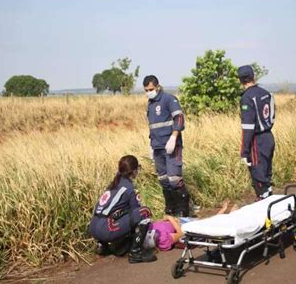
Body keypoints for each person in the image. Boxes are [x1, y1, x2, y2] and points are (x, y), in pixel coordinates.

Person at [88, 155, 157, 264]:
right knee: (144, 212)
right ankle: (136, 252)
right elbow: (136, 211)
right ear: (134, 171)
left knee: (118, 214)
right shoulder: (129, 188)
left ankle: (102, 245)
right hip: (106, 229)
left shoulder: (114, 183)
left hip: (93, 226)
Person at [143, 75, 190, 217]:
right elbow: (152, 127)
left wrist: (174, 137)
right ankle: (171, 209)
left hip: (171, 145)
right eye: (146, 90)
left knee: (174, 179)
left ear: (157, 86)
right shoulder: (150, 104)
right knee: (163, 180)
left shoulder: (169, 99)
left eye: (151, 89)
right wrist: (151, 145)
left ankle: (184, 211)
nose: (149, 92)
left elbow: (179, 118)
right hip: (157, 147)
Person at [238, 65, 276, 200]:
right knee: (267, 172)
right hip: (269, 136)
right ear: (253, 76)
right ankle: (268, 196)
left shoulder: (247, 97)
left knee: (258, 174)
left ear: (240, 80)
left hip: (257, 140)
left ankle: (264, 201)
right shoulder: (266, 93)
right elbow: (272, 116)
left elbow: (247, 127)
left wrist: (244, 151)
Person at [143, 200, 238, 252]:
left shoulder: (149, 227)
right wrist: (170, 218)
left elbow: (159, 221)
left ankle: (225, 213)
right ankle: (229, 214)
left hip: (179, 221)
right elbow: (181, 233)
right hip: (184, 226)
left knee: (207, 221)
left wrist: (167, 219)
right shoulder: (163, 241)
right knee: (209, 224)